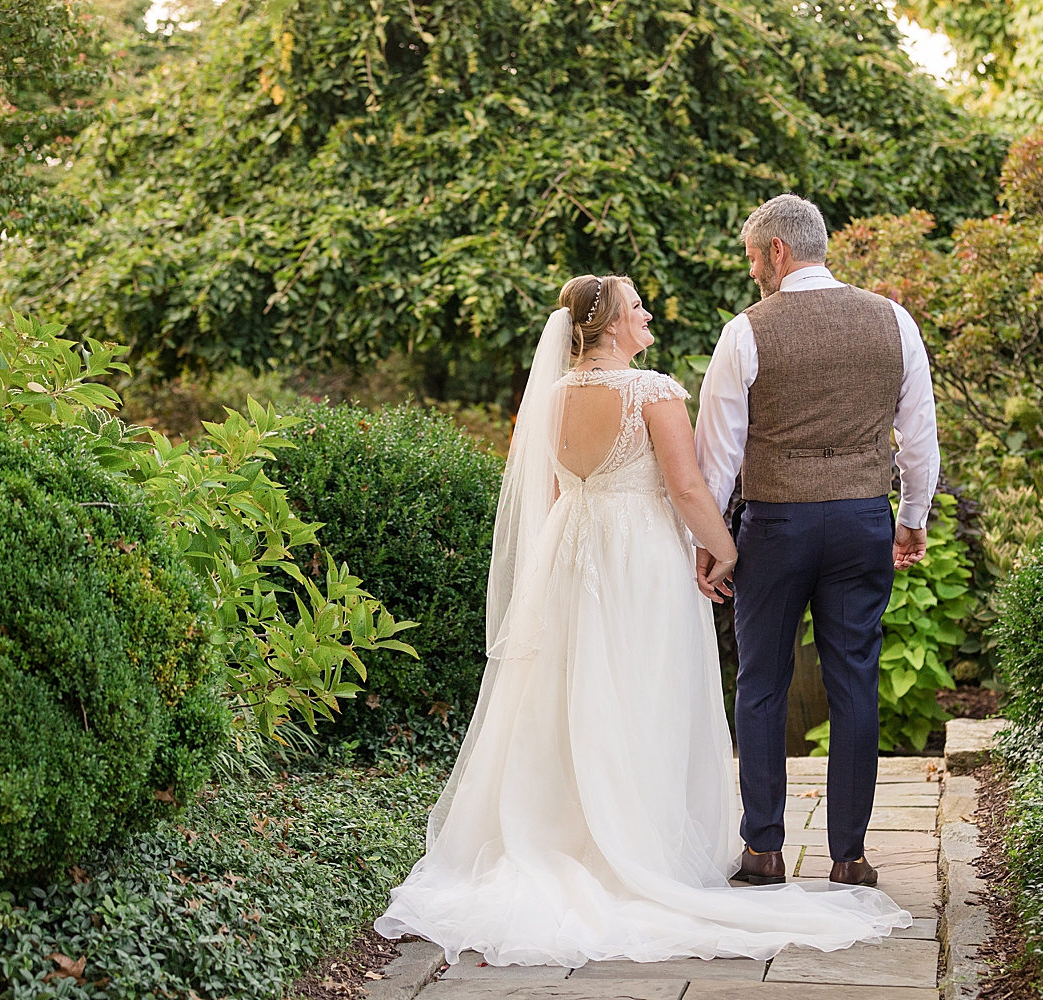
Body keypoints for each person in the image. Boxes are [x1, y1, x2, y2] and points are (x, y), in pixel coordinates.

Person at [374, 270, 909, 969]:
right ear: (613, 325)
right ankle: (644, 845)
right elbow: (688, 487)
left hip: (568, 550)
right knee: (643, 693)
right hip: (640, 558)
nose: (648, 314)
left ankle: (564, 836)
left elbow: (541, 493)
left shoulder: (548, 399)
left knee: (568, 696)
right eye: (637, 308)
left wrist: (551, 560)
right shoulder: (652, 391)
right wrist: (727, 553)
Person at [694, 193, 939, 889]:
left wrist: (709, 540)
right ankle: (850, 856)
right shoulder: (893, 320)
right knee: (855, 680)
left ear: (777, 251)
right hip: (862, 520)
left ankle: (764, 851)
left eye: (752, 259)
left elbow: (718, 452)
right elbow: (917, 435)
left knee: (762, 681)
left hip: (775, 523)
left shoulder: (746, 332)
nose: (753, 274)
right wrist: (912, 517)